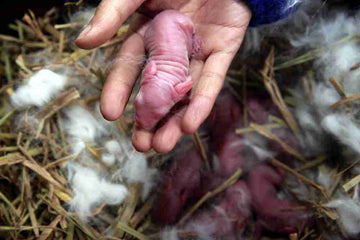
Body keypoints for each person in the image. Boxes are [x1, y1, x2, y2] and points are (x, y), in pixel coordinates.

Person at [75, 0, 300, 153]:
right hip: (168, 24)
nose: (144, 119)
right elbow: (160, 73)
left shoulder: (173, 85)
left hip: (171, 25)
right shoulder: (160, 79)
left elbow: (182, 82)